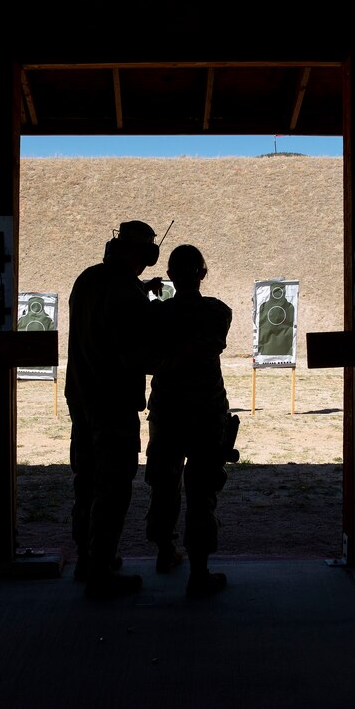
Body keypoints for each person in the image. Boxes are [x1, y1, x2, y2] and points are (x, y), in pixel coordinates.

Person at [65, 220, 161, 599]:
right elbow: (136, 352)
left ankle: (87, 561)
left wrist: (143, 292)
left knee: (86, 480)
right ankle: (101, 572)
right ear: (141, 254)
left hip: (82, 396)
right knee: (114, 485)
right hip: (113, 401)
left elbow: (109, 304)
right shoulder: (126, 291)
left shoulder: (87, 279)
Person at [144, 244, 233, 598]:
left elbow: (149, 358)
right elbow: (206, 346)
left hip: (168, 412)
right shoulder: (217, 313)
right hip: (206, 414)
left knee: (164, 483)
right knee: (201, 489)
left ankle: (165, 552)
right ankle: (199, 573)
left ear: (170, 275)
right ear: (203, 273)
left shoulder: (157, 316)